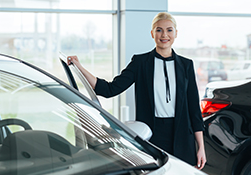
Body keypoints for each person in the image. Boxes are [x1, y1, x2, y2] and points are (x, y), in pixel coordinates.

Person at [67, 12, 206, 170]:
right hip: (152, 136)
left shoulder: (186, 65)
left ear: (176, 33)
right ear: (152, 33)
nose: (164, 35)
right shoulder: (141, 62)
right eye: (159, 30)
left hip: (183, 137)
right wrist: (79, 67)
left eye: (169, 30)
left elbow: (194, 110)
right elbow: (109, 89)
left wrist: (200, 147)